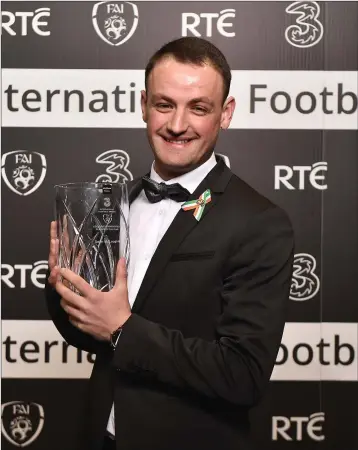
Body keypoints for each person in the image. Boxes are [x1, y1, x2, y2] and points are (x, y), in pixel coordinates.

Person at [46, 37, 294, 450]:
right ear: (143, 104)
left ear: (225, 114)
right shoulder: (113, 204)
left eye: (198, 107)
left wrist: (123, 330)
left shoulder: (260, 223)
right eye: (164, 104)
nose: (177, 125)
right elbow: (93, 334)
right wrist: (65, 291)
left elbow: (243, 374)